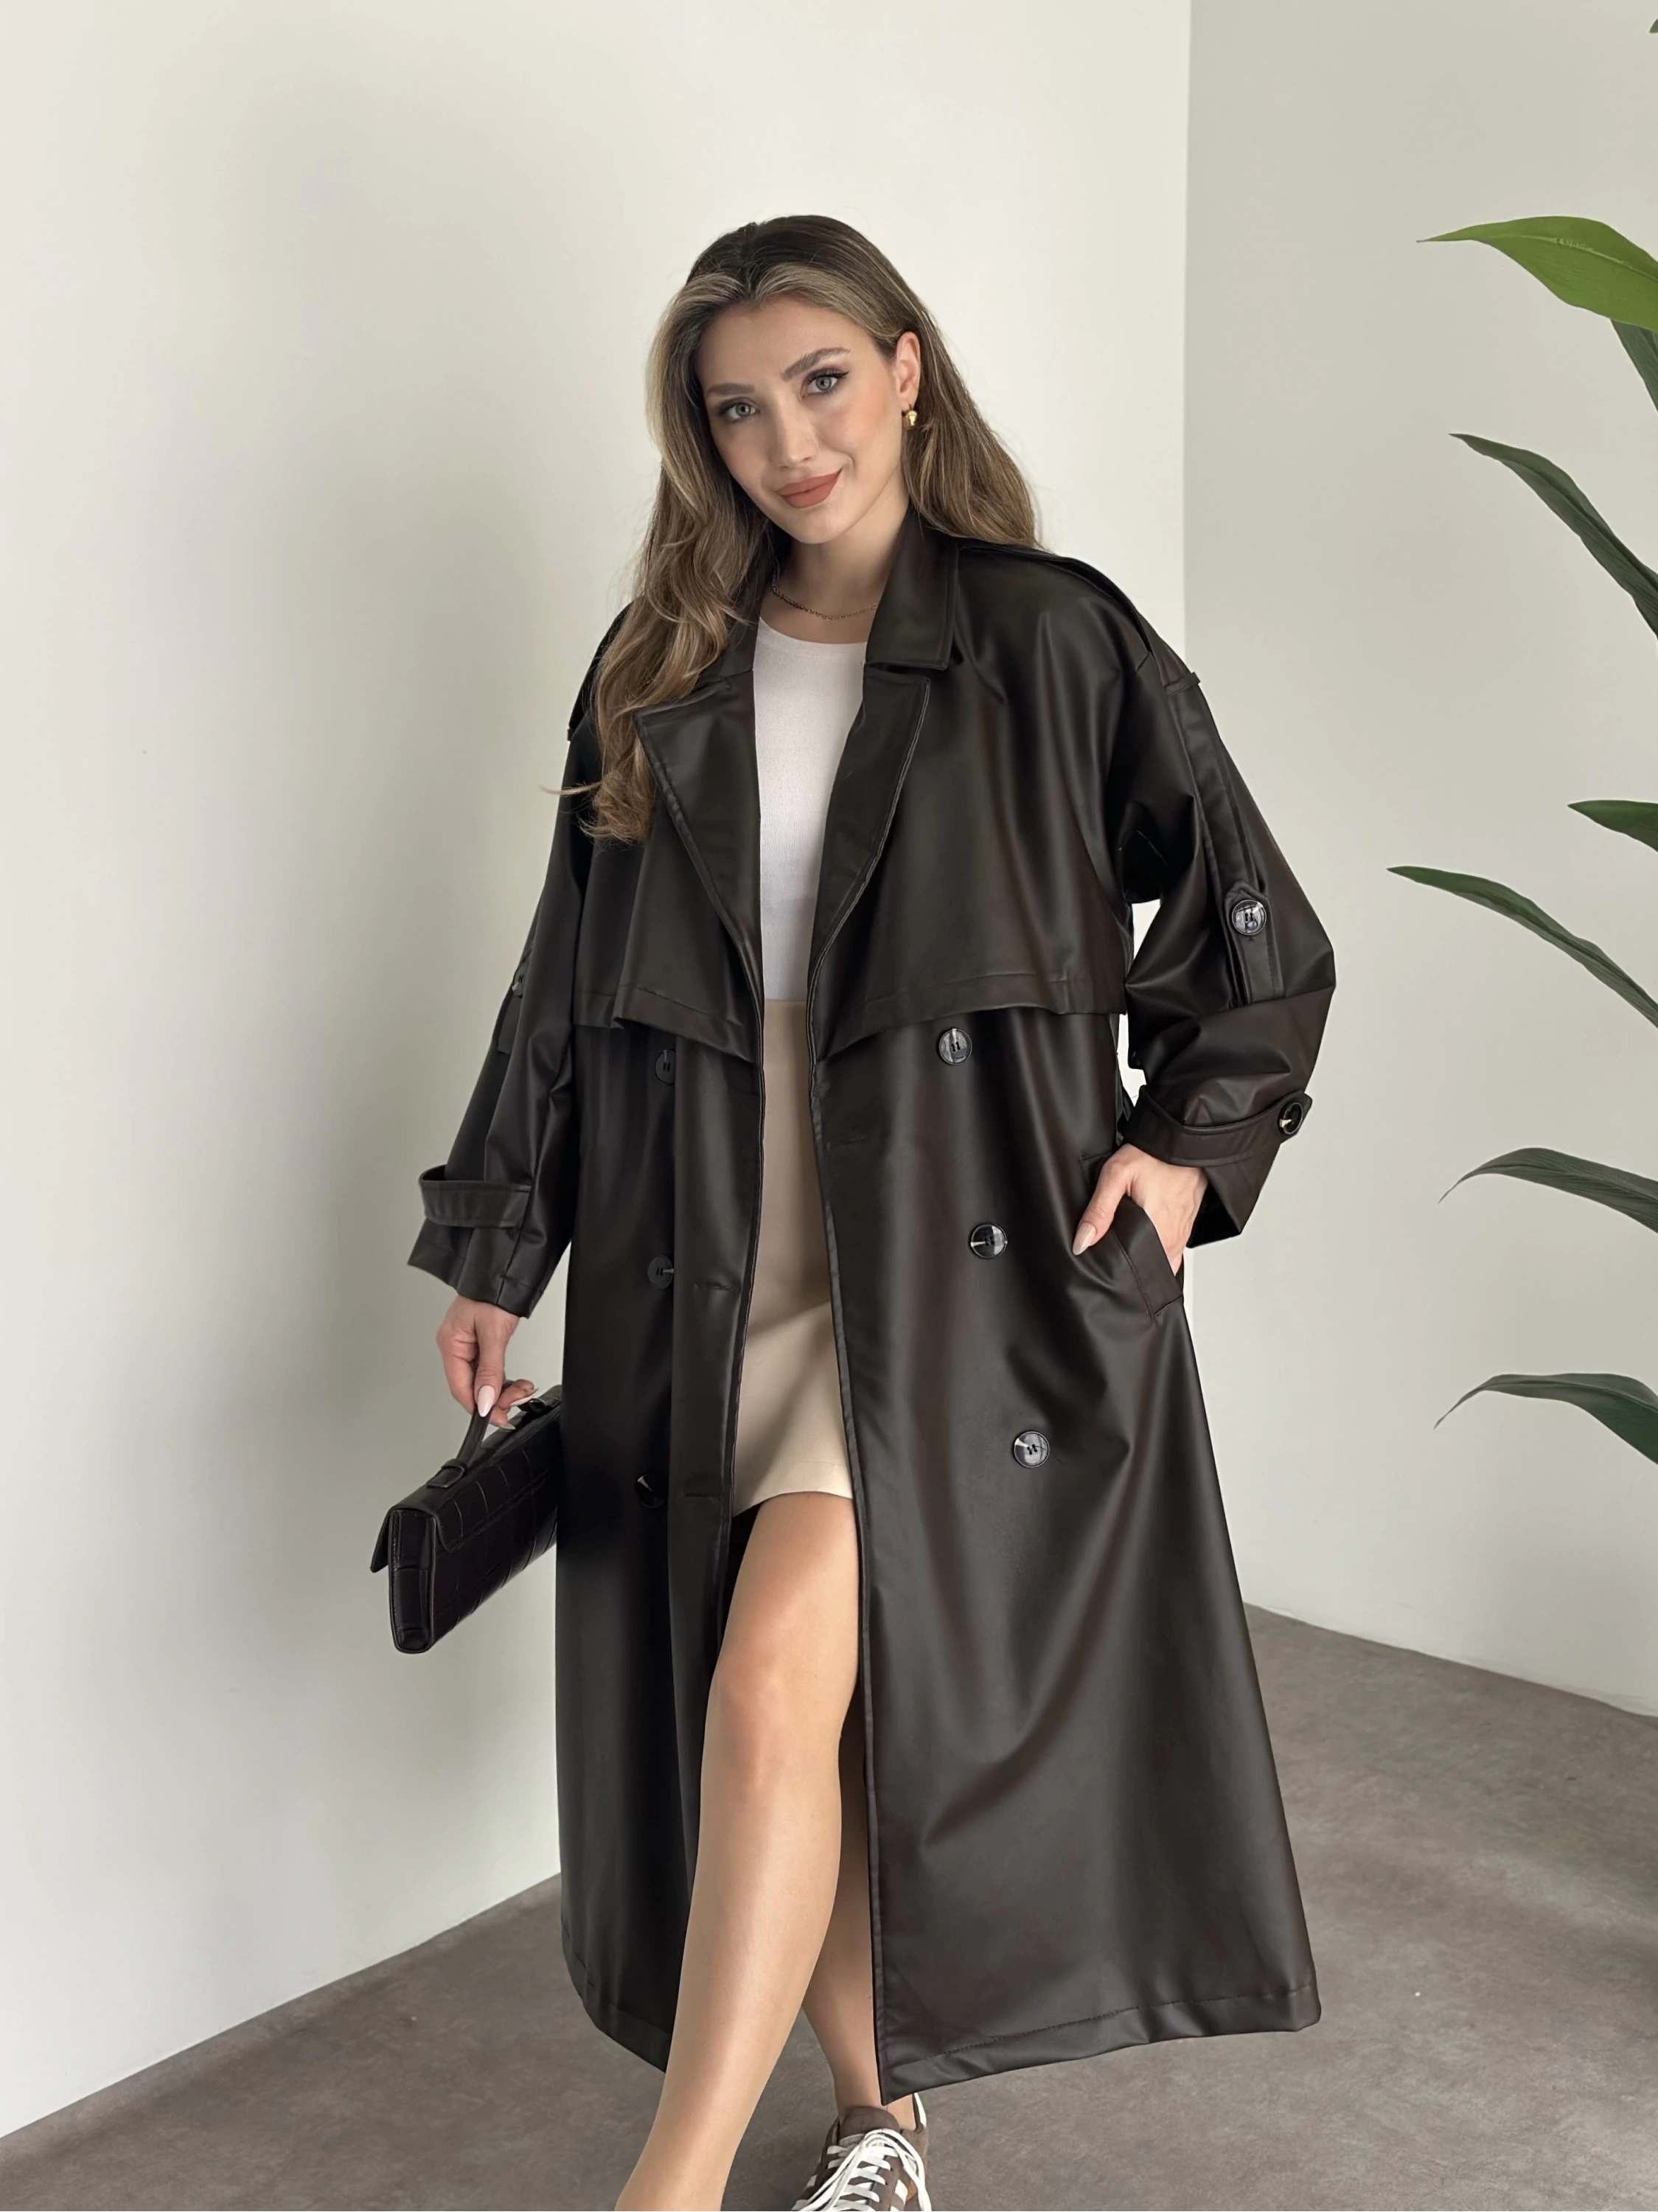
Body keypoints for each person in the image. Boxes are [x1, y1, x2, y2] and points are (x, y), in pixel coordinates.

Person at [410, 214, 1335, 2212]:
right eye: (739, 409)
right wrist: (496, 1243)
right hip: (699, 1254)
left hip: (940, 1271)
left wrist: (1187, 1146)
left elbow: (1256, 923)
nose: (790, 443)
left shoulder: (1048, 639)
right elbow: (563, 979)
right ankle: (883, 2121)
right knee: (806, 1727)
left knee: (769, 1684)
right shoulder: (657, 668)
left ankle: (664, 2195)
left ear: (909, 370)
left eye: (822, 382)